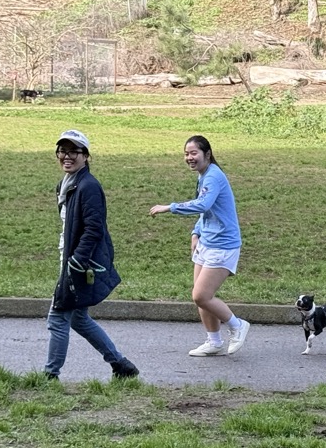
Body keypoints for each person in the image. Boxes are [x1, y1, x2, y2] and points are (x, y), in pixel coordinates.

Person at [45, 130, 139, 381]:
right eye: (62, 151)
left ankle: (50, 376)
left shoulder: (88, 186)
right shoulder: (66, 184)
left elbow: (94, 228)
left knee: (57, 316)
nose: (67, 156)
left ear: (86, 156)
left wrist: (77, 260)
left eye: (74, 151)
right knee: (78, 318)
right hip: (70, 258)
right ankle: (121, 365)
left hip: (77, 262)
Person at [149, 135, 250, 356]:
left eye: (193, 153)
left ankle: (237, 325)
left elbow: (203, 204)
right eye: (186, 153)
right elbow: (208, 210)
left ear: (207, 154)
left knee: (201, 296)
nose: (189, 157)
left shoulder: (213, 176)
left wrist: (170, 207)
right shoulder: (204, 175)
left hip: (223, 245)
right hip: (207, 241)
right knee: (200, 296)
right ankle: (214, 342)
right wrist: (196, 232)